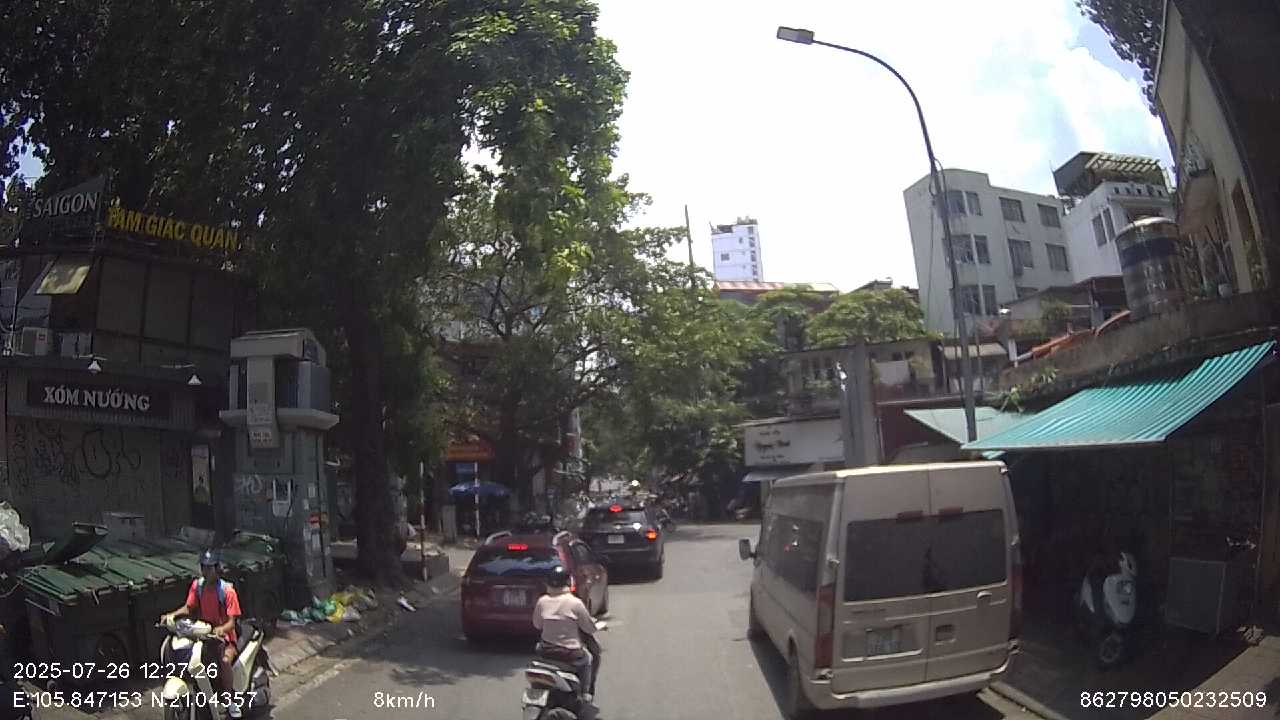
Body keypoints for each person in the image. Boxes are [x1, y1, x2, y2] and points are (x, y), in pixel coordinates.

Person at [161, 549, 244, 718]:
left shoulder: (227, 591)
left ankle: (229, 700)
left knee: (224, 661)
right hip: (201, 634)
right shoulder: (197, 586)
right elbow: (188, 607)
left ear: (216, 568)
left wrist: (220, 629)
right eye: (203, 567)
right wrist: (172, 615)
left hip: (223, 637)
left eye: (209, 568)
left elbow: (231, 623)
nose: (205, 571)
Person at [532, 566, 599, 703]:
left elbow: (537, 625)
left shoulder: (542, 601)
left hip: (546, 651)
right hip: (570, 653)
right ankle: (585, 693)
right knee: (588, 659)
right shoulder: (575, 603)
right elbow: (589, 629)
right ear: (568, 582)